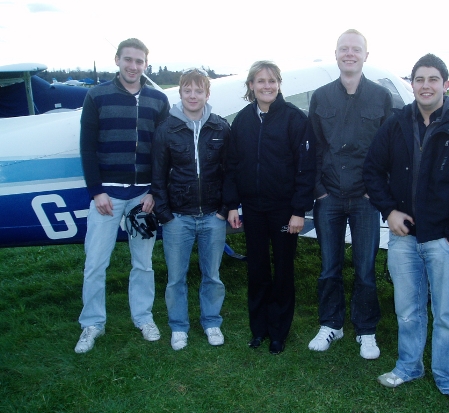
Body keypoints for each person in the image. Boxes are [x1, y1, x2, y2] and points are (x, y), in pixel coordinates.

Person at [364, 53, 449, 409]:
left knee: (447, 314)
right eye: (419, 79)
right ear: (412, 84)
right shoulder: (397, 123)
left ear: (445, 84)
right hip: (404, 237)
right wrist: (389, 210)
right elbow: (373, 169)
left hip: (443, 240)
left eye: (433, 79)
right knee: (407, 309)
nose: (426, 86)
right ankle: (408, 366)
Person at [75, 38, 169, 353]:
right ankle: (92, 324)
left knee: (143, 263)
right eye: (128, 60)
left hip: (142, 197)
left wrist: (156, 191)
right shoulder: (96, 96)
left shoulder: (158, 99)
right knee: (95, 263)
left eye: (139, 61)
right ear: (117, 60)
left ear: (146, 64)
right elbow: (87, 147)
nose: (133, 66)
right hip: (107, 198)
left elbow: (163, 151)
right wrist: (96, 191)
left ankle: (143, 318)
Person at [307, 29, 392, 359]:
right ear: (336, 54)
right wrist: (318, 191)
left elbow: (389, 149)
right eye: (344, 49)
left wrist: (377, 191)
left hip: (365, 198)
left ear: (366, 56)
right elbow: (312, 147)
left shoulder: (381, 97)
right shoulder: (321, 96)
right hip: (329, 196)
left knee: (365, 268)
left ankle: (366, 329)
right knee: (329, 266)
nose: (350, 54)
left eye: (356, 49)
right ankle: (331, 324)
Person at [224, 61, 315, 355]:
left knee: (284, 270)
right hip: (252, 208)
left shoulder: (294, 119)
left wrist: (299, 210)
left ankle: (279, 331)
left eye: (272, 81)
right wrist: (232, 205)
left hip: (284, 209)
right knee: (257, 268)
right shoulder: (242, 120)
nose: (267, 86)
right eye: (261, 81)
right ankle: (259, 328)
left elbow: (306, 168)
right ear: (251, 85)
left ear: (278, 84)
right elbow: (233, 166)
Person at [151, 68, 230, 351]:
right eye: (187, 90)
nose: (193, 95)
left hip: (213, 216)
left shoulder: (220, 127)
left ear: (207, 94)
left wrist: (224, 209)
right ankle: (179, 326)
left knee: (212, 275)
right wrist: (165, 215)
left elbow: (229, 171)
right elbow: (157, 176)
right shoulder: (166, 129)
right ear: (180, 93)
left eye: (199, 90)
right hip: (178, 218)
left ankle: (211, 322)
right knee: (176, 278)